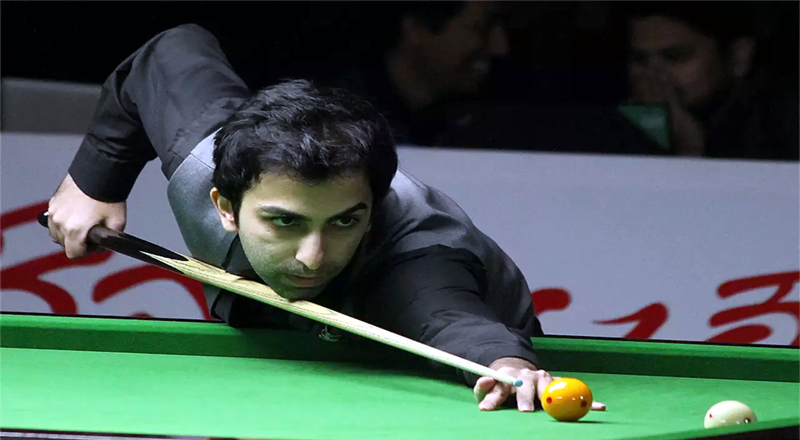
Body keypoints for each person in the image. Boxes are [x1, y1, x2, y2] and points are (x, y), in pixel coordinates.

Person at [44, 24, 605, 413]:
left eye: (342, 222)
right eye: (285, 222)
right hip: (274, 345)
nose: (312, 256)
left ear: (373, 208)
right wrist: (94, 183)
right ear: (225, 207)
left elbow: (449, 318)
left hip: (416, 359)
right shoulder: (202, 161)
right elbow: (169, 52)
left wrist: (508, 365)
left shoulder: (417, 259)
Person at [622, 2, 799, 160]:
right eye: (639, 59)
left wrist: (690, 152)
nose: (651, 75)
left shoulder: (783, 126)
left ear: (738, 57)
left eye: (675, 57)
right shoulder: (621, 124)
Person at [331, 0, 510, 145]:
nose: (500, 48)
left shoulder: (474, 117)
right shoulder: (340, 122)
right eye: (481, 29)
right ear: (416, 29)